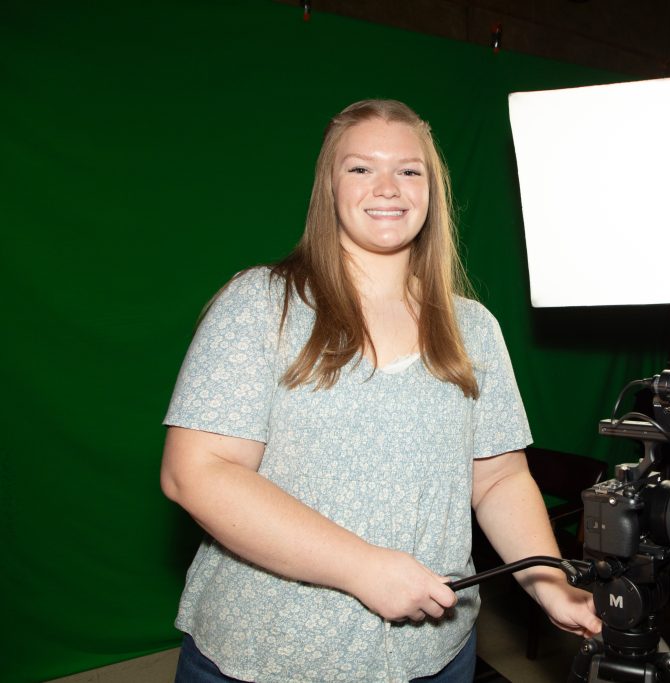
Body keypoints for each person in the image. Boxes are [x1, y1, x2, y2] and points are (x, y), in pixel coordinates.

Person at [160, 98, 602, 682]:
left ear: (432, 190)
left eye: (409, 170)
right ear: (329, 188)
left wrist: (550, 586)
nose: (388, 186)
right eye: (361, 168)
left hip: (436, 658)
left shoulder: (474, 328)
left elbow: (499, 477)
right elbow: (196, 472)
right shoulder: (260, 304)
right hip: (269, 655)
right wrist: (363, 568)